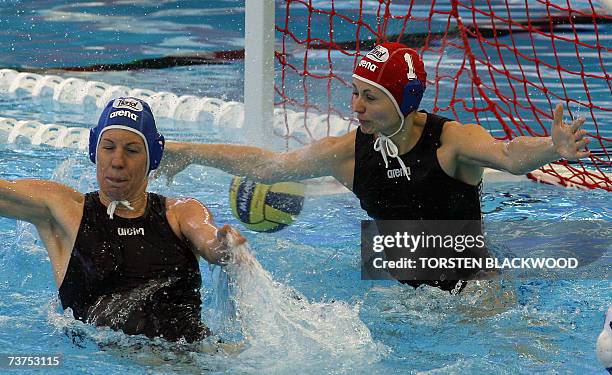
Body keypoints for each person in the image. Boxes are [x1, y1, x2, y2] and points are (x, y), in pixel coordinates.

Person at [159, 42, 590, 292]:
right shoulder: (348, 151)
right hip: (400, 295)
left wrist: (552, 147)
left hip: (474, 293)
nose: (356, 107)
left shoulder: (452, 142)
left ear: (405, 100)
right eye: (355, 93)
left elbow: (510, 156)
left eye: (371, 97)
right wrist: (187, 150)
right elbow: (272, 166)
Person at [0, 97, 245, 343]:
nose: (117, 162)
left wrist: (223, 246)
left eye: (132, 150)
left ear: (153, 157)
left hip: (195, 361)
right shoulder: (64, 210)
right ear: (94, 150)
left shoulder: (181, 213)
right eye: (108, 147)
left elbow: (209, 239)